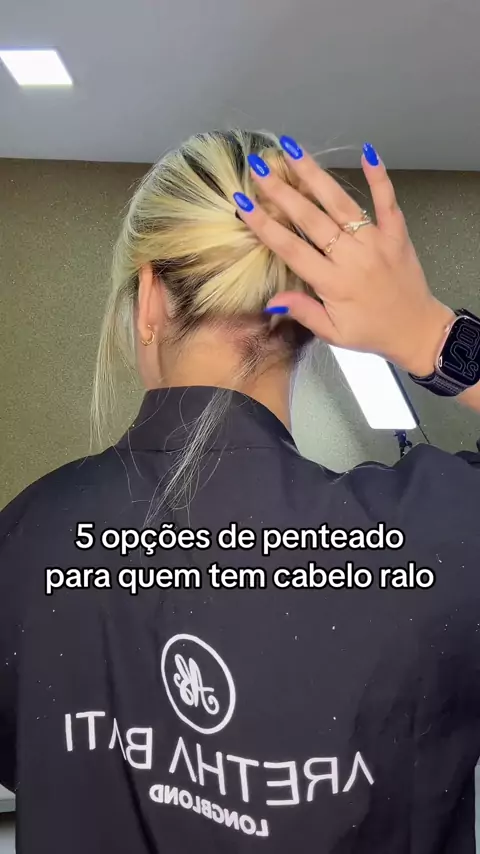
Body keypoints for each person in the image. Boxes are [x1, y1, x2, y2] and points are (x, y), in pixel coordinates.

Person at [1, 129, 480, 854]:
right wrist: (434, 336)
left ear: (150, 298)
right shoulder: (438, 538)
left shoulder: (25, 539)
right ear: (311, 320)